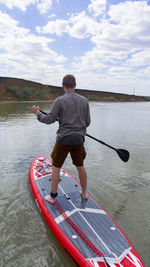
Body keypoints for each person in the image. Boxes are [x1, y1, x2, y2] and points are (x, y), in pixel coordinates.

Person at [32, 74, 91, 204]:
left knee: (56, 167)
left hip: (63, 139)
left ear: (62, 85)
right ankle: (84, 193)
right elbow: (87, 122)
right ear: (75, 85)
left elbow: (49, 119)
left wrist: (38, 113)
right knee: (80, 166)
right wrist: (77, 127)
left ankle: (52, 197)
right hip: (79, 139)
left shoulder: (59, 101)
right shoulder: (84, 101)